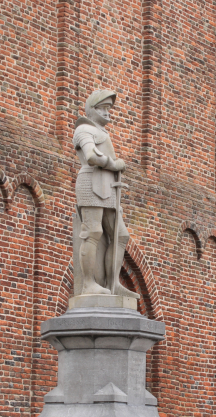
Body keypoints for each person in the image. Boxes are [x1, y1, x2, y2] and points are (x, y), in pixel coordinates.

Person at [72, 89, 139, 298]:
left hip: (108, 187)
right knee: (92, 232)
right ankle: (88, 284)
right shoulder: (83, 129)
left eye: (109, 108)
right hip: (91, 183)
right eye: (102, 108)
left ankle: (113, 284)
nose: (107, 112)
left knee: (121, 235)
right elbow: (91, 156)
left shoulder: (102, 132)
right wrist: (114, 164)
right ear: (91, 109)